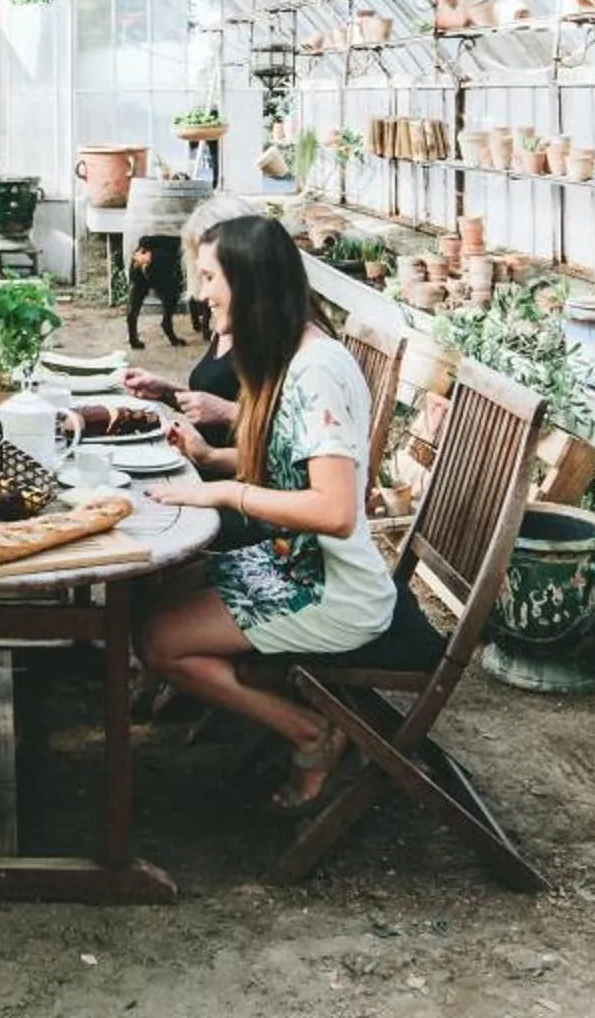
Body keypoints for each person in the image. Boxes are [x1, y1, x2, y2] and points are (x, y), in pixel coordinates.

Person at [137, 213, 396, 811]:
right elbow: (290, 463)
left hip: (332, 586)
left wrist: (225, 492)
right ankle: (264, 691)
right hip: (294, 560)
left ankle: (310, 732)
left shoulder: (316, 371)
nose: (201, 294)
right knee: (163, 586)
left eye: (210, 278)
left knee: (157, 639)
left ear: (249, 283)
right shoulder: (291, 354)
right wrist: (211, 459)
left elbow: (336, 509)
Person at [120, 193, 261, 441]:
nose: (203, 293)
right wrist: (168, 392)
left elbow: (280, 433)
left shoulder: (270, 334)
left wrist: (212, 450)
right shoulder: (227, 320)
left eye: (210, 275)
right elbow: (212, 402)